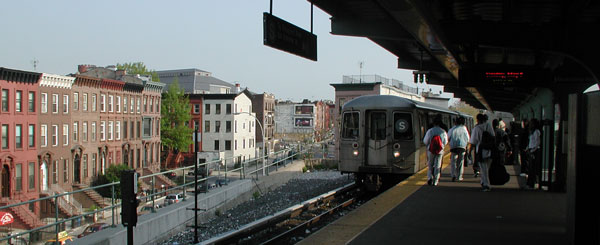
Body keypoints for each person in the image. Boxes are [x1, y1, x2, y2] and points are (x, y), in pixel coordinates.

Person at [468, 113, 495, 192]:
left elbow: (473, 142)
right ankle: (483, 182)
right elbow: (493, 137)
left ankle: (486, 185)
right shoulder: (489, 126)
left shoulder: (476, 128)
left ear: (478, 120)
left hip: (480, 150)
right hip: (490, 150)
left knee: (483, 169)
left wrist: (469, 152)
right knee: (487, 168)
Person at [423, 115, 448, 186]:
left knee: (430, 165)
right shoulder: (443, 131)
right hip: (440, 151)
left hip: (431, 150)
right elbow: (445, 142)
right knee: (438, 165)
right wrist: (441, 146)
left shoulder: (430, 131)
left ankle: (429, 177)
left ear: (433, 123)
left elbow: (425, 141)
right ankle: (436, 181)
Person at [448, 116, 470, 181]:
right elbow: (468, 139)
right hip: (462, 147)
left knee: (453, 162)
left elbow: (448, 137)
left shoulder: (452, 129)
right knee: (460, 162)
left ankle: (453, 175)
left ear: (455, 123)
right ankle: (459, 176)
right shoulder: (464, 128)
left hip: (453, 147)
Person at [525, 118, 541, 189]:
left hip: (534, 151)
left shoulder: (536, 132)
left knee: (532, 168)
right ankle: (529, 183)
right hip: (531, 150)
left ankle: (531, 184)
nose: (530, 124)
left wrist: (532, 150)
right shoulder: (532, 132)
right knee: (530, 167)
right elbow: (531, 142)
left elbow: (537, 142)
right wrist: (527, 148)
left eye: (531, 123)